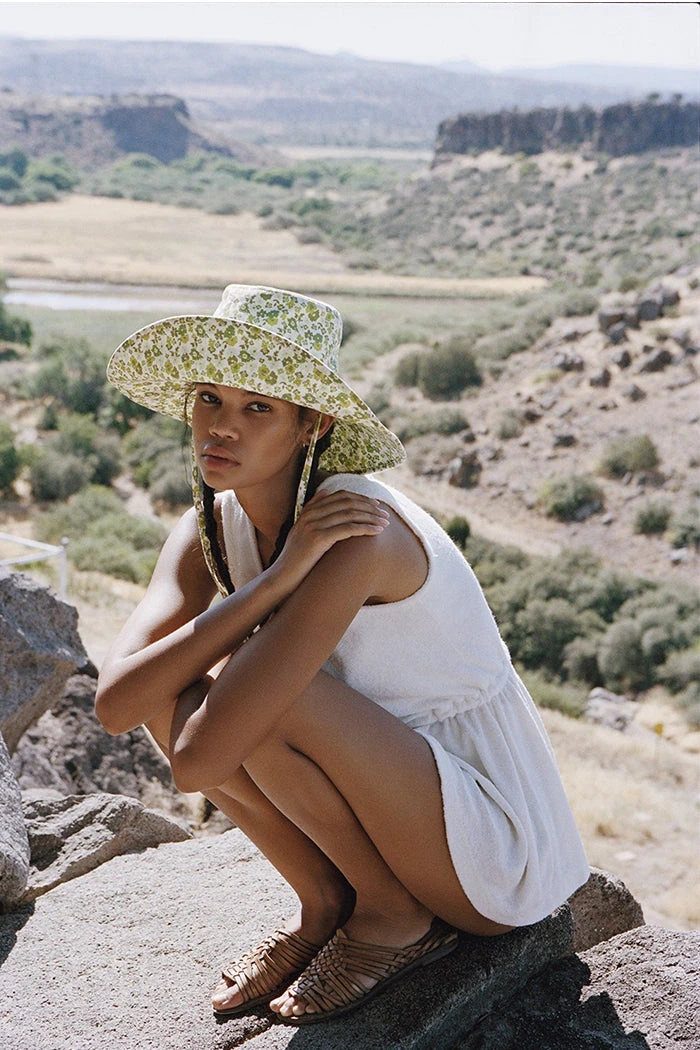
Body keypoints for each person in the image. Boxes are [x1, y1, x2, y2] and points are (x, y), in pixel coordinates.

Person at [96, 284, 589, 1025]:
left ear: (312, 424)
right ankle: (326, 904)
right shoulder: (209, 526)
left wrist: (275, 592)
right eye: (209, 399)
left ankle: (392, 919)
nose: (221, 427)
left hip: (491, 844)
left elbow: (197, 762)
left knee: (265, 689)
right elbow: (119, 706)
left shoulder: (361, 532)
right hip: (389, 803)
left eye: (258, 407)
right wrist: (275, 581)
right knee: (194, 682)